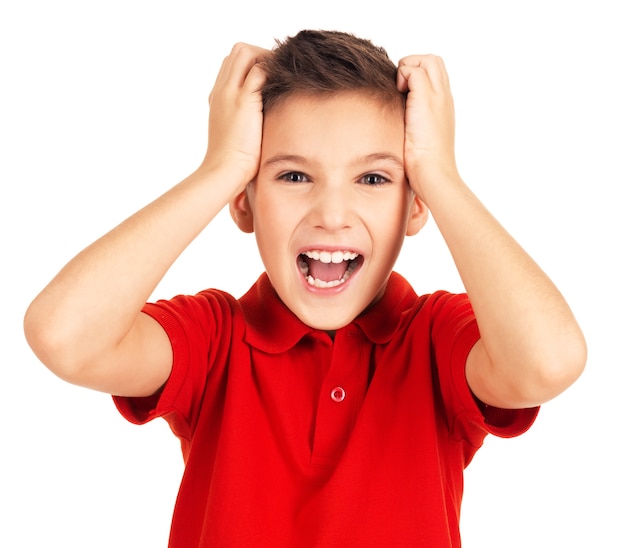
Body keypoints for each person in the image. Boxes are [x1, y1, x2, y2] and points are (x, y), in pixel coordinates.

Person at [23, 30, 586, 547]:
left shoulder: (436, 340)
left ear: (417, 205)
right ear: (245, 200)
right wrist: (221, 168)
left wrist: (440, 174)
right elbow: (64, 335)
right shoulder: (214, 341)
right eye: (293, 175)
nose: (332, 214)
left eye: (374, 178)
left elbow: (549, 362)